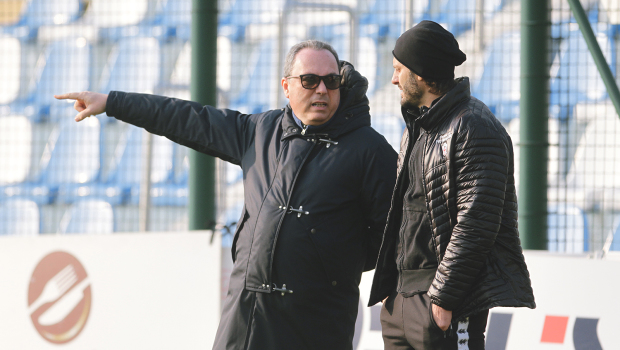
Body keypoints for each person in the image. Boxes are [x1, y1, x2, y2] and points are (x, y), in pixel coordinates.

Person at [56, 40, 397, 350]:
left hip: (320, 320)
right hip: (247, 316)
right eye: (309, 80)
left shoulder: (370, 149)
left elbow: (390, 235)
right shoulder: (260, 131)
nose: (322, 89)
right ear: (287, 87)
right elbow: (185, 118)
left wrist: (330, 263)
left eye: (331, 81)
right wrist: (113, 102)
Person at [368, 21, 536, 350]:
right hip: (402, 299)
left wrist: (444, 298)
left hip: (442, 302)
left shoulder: (475, 126)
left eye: (398, 69)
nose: (392, 79)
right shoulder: (417, 124)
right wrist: (393, 286)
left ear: (420, 72)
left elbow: (477, 221)